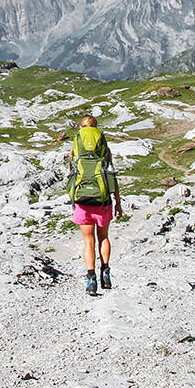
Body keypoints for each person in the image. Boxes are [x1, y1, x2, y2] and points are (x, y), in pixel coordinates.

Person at [67, 115, 122, 296]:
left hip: (83, 202)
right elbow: (111, 173)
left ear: (81, 127)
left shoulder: (77, 142)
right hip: (103, 199)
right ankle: (105, 272)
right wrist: (118, 203)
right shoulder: (103, 143)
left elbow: (71, 171)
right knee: (104, 237)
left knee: (88, 241)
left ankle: (91, 279)